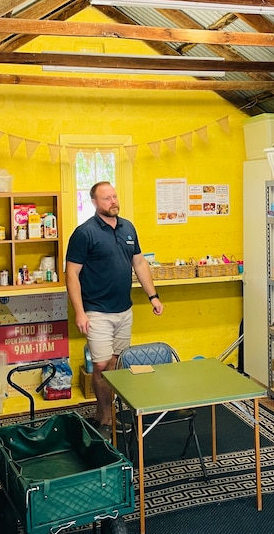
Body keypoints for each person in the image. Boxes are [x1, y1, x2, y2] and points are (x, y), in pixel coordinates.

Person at [66, 181, 164, 438]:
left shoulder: (128, 227)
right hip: (96, 310)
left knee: (115, 364)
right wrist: (80, 311)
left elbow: (140, 263)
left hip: (124, 309)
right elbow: (72, 274)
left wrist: (153, 296)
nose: (113, 201)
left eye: (114, 196)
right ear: (95, 203)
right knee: (100, 365)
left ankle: (108, 413)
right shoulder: (84, 233)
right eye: (106, 198)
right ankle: (105, 418)